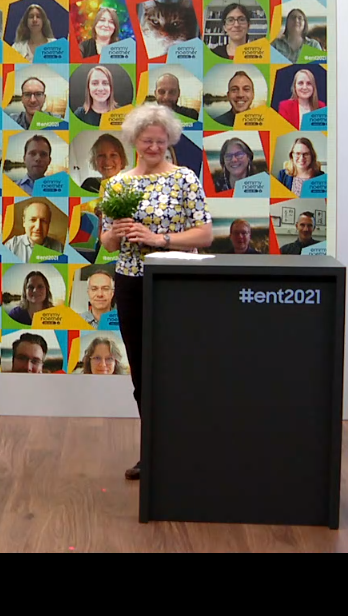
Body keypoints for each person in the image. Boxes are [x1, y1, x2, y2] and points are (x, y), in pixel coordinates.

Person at [98, 104, 213, 479]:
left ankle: (187, 450)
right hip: (131, 282)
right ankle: (152, 452)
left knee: (179, 367)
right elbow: (107, 243)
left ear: (170, 141)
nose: (154, 147)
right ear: (135, 141)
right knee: (142, 369)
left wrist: (159, 239)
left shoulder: (184, 179)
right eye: (147, 140)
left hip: (177, 282)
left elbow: (205, 235)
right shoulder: (118, 184)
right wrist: (115, 233)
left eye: (160, 141)